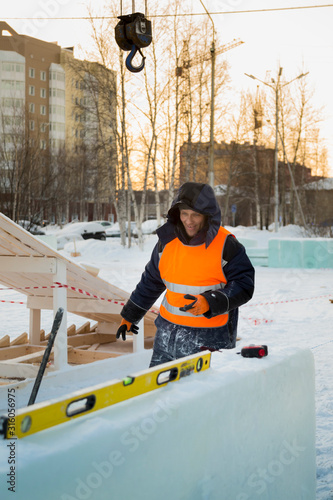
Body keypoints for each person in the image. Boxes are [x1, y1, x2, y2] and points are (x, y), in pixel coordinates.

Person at [116, 182, 255, 367]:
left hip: (209, 340)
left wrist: (210, 301)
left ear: (208, 216)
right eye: (184, 213)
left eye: (195, 214)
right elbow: (151, 282)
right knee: (160, 393)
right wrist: (130, 315)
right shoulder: (166, 243)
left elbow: (244, 284)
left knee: (201, 395)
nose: (189, 221)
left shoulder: (226, 245)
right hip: (166, 337)